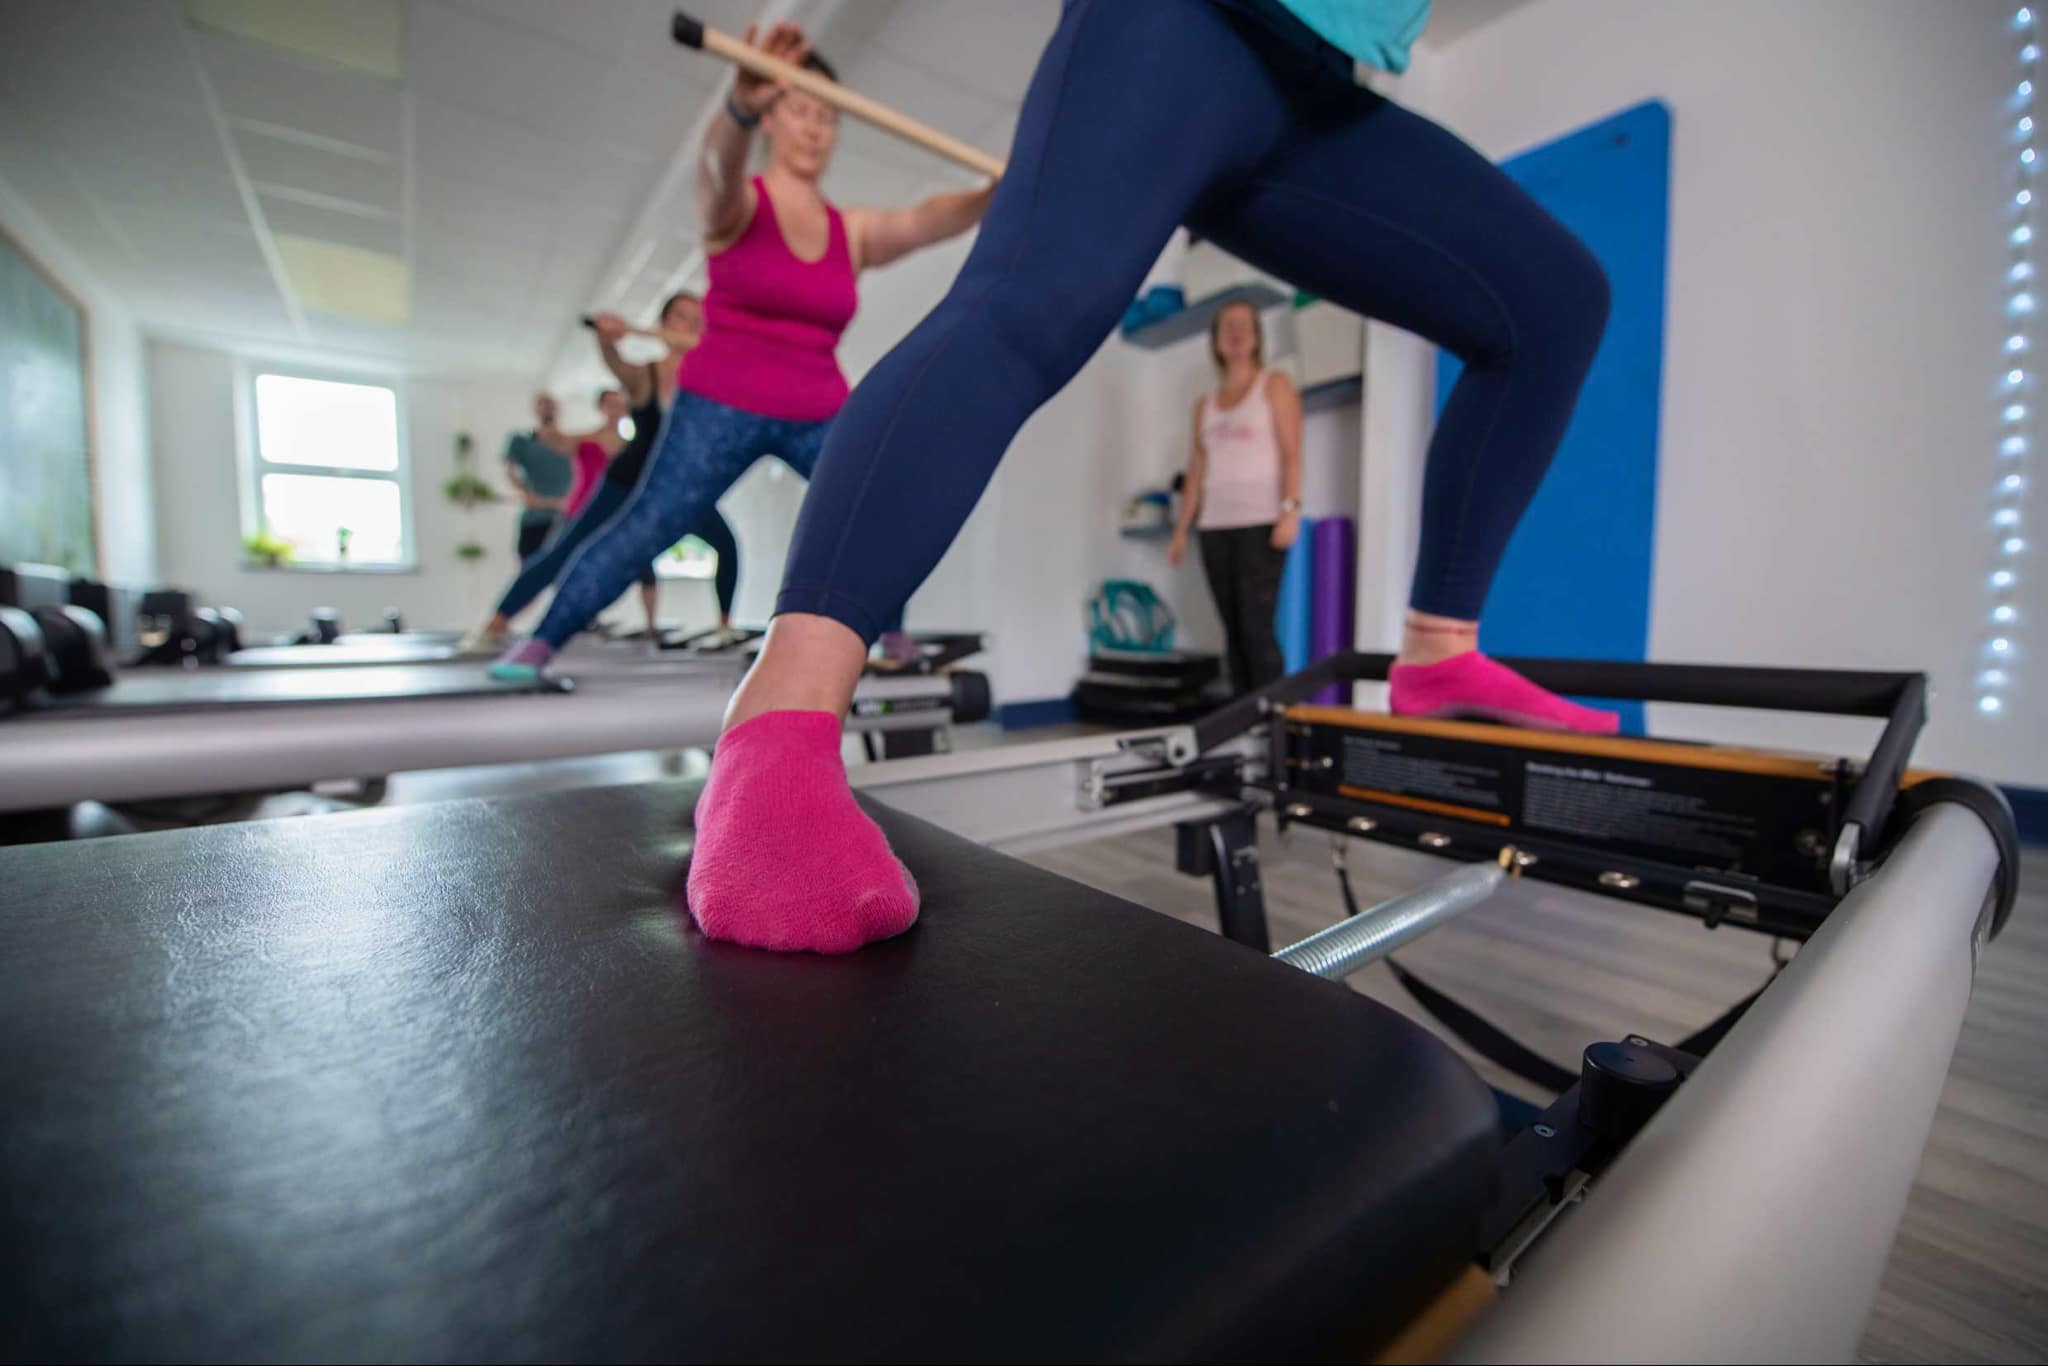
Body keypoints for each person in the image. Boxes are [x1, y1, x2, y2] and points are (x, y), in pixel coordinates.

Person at [689, 0, 1617, 954]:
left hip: (1323, 89)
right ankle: (776, 730)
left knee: (1555, 304)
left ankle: (1439, 648)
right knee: (1025, 311)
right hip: (1188, 21)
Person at [487, 21, 993, 682]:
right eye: (800, 110)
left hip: (817, 407)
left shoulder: (853, 231)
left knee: (881, 503)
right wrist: (737, 112)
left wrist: (994, 195)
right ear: (773, 118)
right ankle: (540, 642)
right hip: (717, 405)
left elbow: (924, 220)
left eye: (827, 117)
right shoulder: (739, 207)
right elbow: (717, 171)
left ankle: (890, 634)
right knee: (649, 526)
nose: (814, 128)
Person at [467, 294, 735, 648]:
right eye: (683, 317)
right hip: (628, 482)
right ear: (665, 325)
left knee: (726, 544)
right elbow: (616, 363)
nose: (694, 324)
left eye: (700, 318)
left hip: (678, 488)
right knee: (566, 550)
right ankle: (495, 624)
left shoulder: (708, 382)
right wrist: (607, 341)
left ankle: (724, 628)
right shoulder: (646, 375)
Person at [1167, 299, 1302, 696]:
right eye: (1227, 326)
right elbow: (1196, 470)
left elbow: (1293, 452)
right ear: (1216, 341)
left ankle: (1274, 718)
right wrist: (1181, 530)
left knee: (1256, 628)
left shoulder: (1274, 385)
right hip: (1214, 527)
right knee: (1233, 631)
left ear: (1257, 336)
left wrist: (1291, 508)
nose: (1236, 333)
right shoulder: (1204, 406)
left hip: (1261, 523)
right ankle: (1242, 720)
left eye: (1244, 324)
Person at [501, 394, 572, 561]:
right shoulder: (522, 441)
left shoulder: (571, 443)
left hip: (566, 517)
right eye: (543, 404)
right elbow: (510, 471)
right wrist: (524, 491)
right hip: (536, 518)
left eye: (551, 404)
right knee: (531, 567)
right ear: (535, 409)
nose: (547, 408)